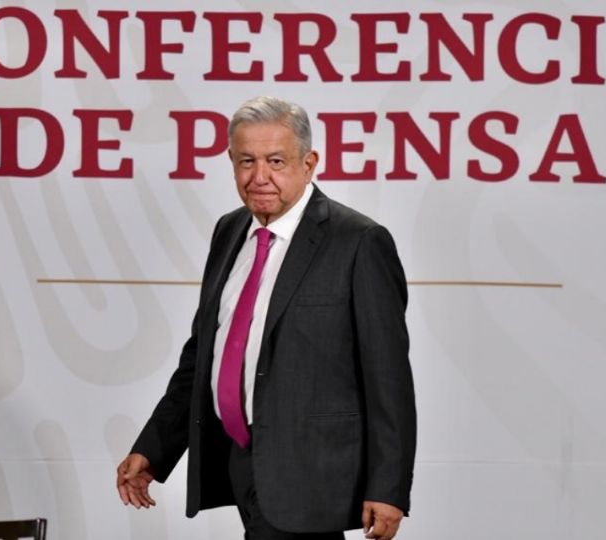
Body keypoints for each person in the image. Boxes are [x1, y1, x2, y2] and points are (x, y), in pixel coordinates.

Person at [116, 96, 416, 540]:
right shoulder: (230, 230)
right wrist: (154, 449)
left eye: (276, 161)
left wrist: (388, 487)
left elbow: (388, 378)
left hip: (311, 473)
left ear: (309, 163)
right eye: (246, 161)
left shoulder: (359, 241)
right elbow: (204, 355)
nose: (260, 177)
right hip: (240, 462)